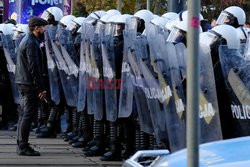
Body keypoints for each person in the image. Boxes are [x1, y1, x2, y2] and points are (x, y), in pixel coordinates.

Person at [15, 16, 48, 156]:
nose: (44, 30)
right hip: (29, 83)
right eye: (42, 27)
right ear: (36, 28)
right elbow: (34, 67)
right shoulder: (32, 43)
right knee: (28, 115)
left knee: (24, 114)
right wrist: (40, 88)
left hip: (24, 81)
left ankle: (21, 144)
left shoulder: (28, 40)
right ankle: (23, 146)